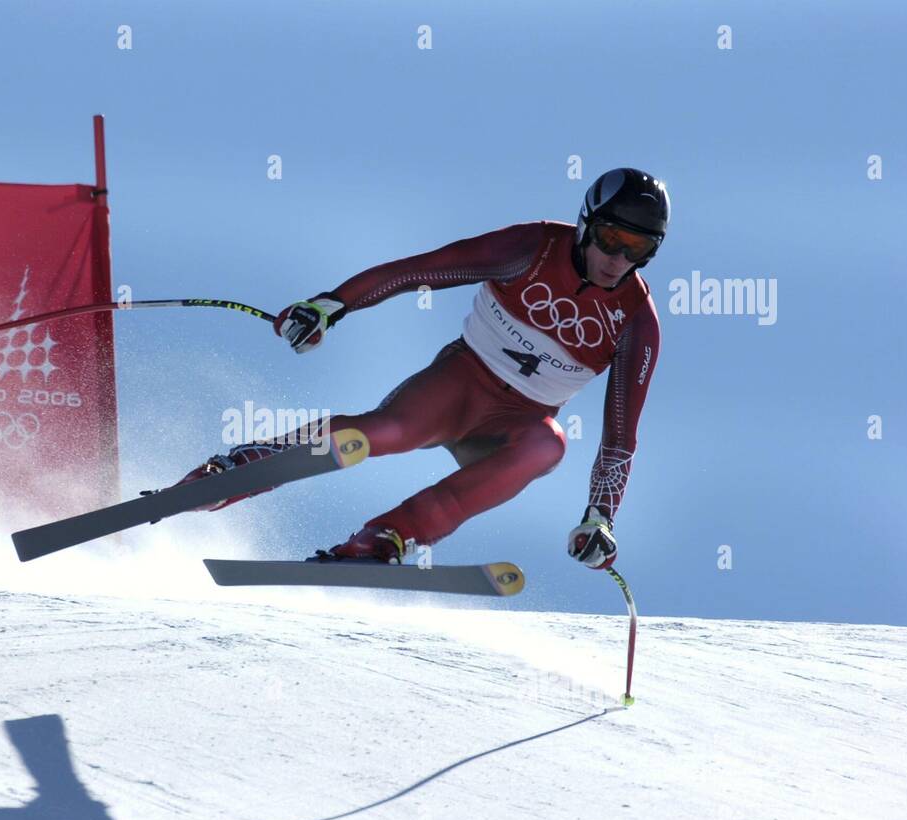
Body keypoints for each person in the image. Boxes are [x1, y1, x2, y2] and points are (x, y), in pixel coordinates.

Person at [176, 168, 669, 570]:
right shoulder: (533, 248)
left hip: (513, 426)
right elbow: (420, 270)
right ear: (586, 223)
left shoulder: (637, 323)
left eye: (638, 249)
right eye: (610, 237)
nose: (618, 258)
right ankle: (242, 469)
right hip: (460, 384)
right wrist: (331, 305)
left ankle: (388, 537)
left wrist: (600, 518)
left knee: (549, 445)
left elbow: (620, 436)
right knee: (381, 432)